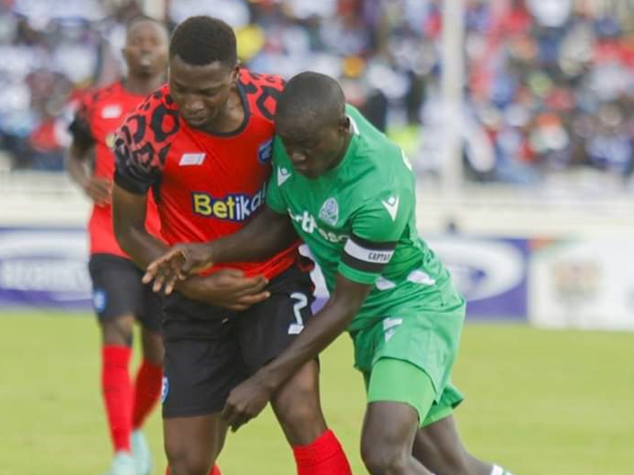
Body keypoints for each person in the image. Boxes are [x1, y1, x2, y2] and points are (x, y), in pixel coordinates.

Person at [145, 72, 516, 475]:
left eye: (307, 148)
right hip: (370, 321)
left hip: (411, 309)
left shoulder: (380, 189)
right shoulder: (299, 133)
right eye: (289, 147)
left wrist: (264, 381)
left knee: (384, 454)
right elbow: (275, 224)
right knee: (452, 466)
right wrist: (206, 252)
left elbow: (343, 304)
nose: (297, 158)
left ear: (342, 128)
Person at [111, 16, 352, 475]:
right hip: (193, 299)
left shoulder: (278, 106)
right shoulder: (144, 132)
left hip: (274, 284)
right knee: (186, 461)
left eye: (208, 90)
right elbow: (129, 232)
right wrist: (195, 286)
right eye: (179, 86)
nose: (191, 103)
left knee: (299, 408)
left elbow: (297, 204)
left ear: (235, 73)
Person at [65, 16, 169, 475]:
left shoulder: (179, 105)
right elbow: (75, 151)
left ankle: (133, 431)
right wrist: (84, 180)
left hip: (164, 246)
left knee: (160, 355)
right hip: (109, 238)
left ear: (166, 52)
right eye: (137, 40)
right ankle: (123, 455)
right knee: (117, 329)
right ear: (124, 51)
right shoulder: (98, 103)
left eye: (153, 40)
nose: (145, 47)